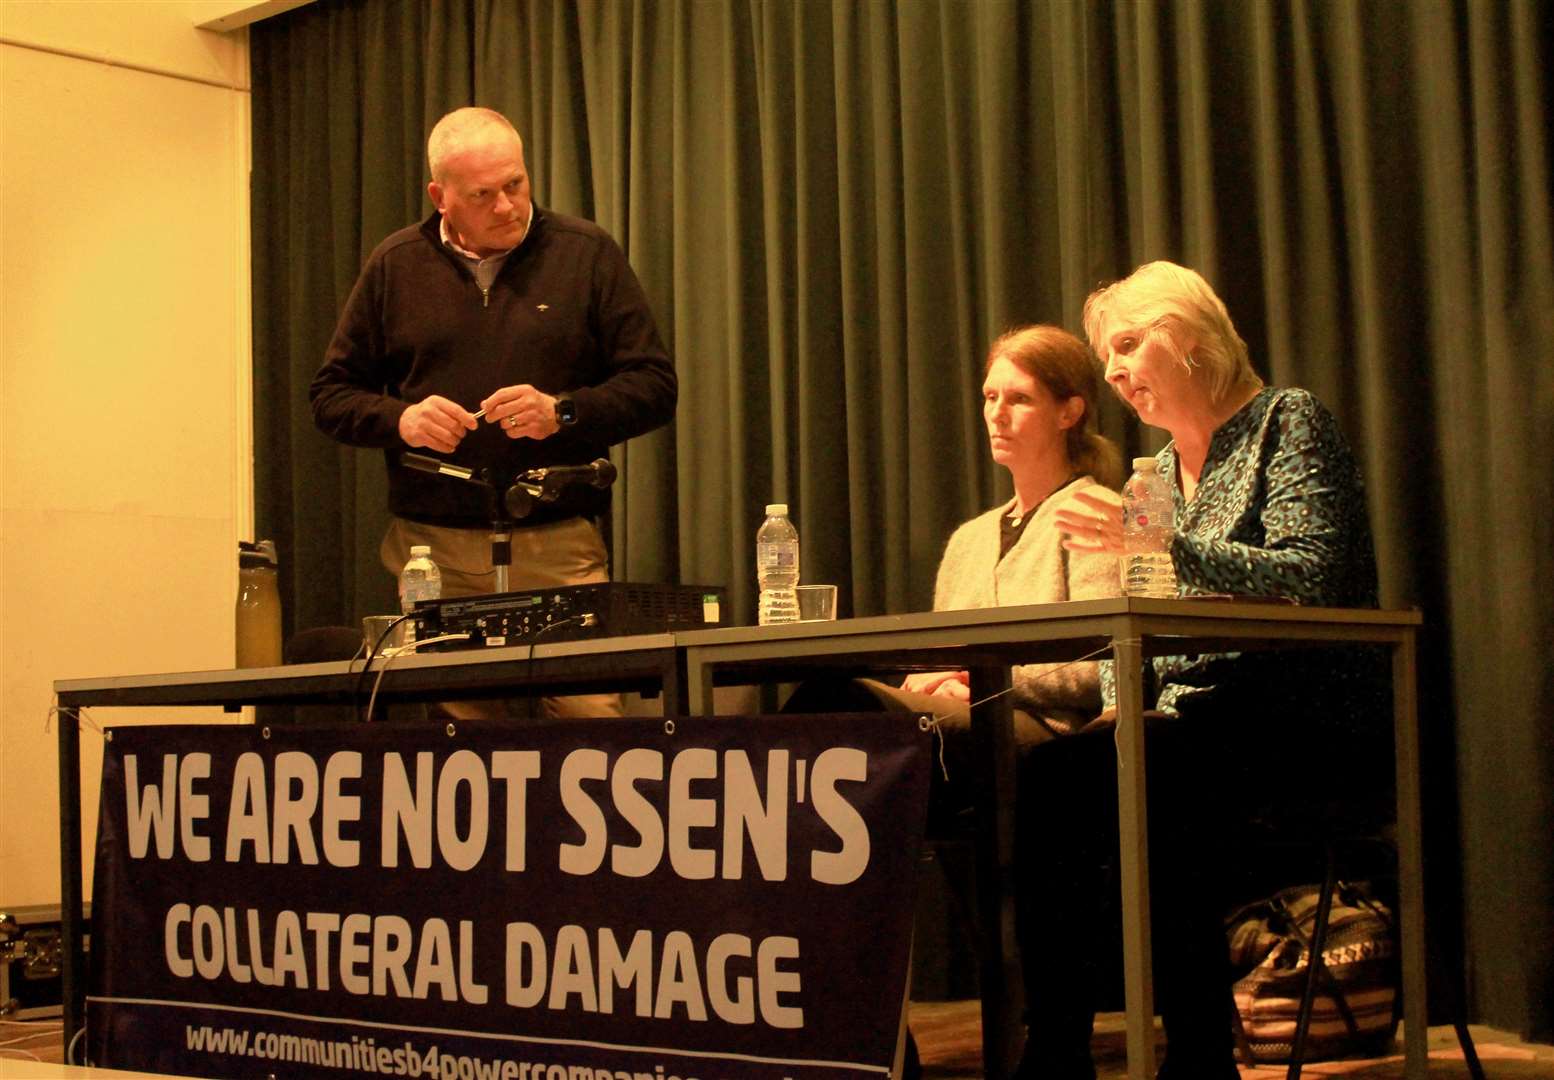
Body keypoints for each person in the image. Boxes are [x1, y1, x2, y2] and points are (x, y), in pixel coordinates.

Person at [1024, 260, 1386, 1079]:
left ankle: (1196, 1054)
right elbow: (1141, 619)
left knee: (1152, 777)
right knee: (1057, 775)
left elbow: (1312, 574)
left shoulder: (1284, 422)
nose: (1113, 372)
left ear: (1188, 335)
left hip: (1303, 710)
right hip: (1199, 722)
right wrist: (1118, 704)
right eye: (1106, 359)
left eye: (1126, 346)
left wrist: (1157, 544)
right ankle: (1056, 1054)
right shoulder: (1157, 474)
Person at [310, 107, 676, 718]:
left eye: (516, 184)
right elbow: (331, 395)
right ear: (441, 196)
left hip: (560, 550)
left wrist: (563, 412)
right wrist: (401, 420)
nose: (507, 206)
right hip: (434, 557)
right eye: (483, 194)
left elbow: (655, 385)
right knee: (466, 750)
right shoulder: (395, 264)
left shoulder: (585, 253)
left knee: (591, 730)